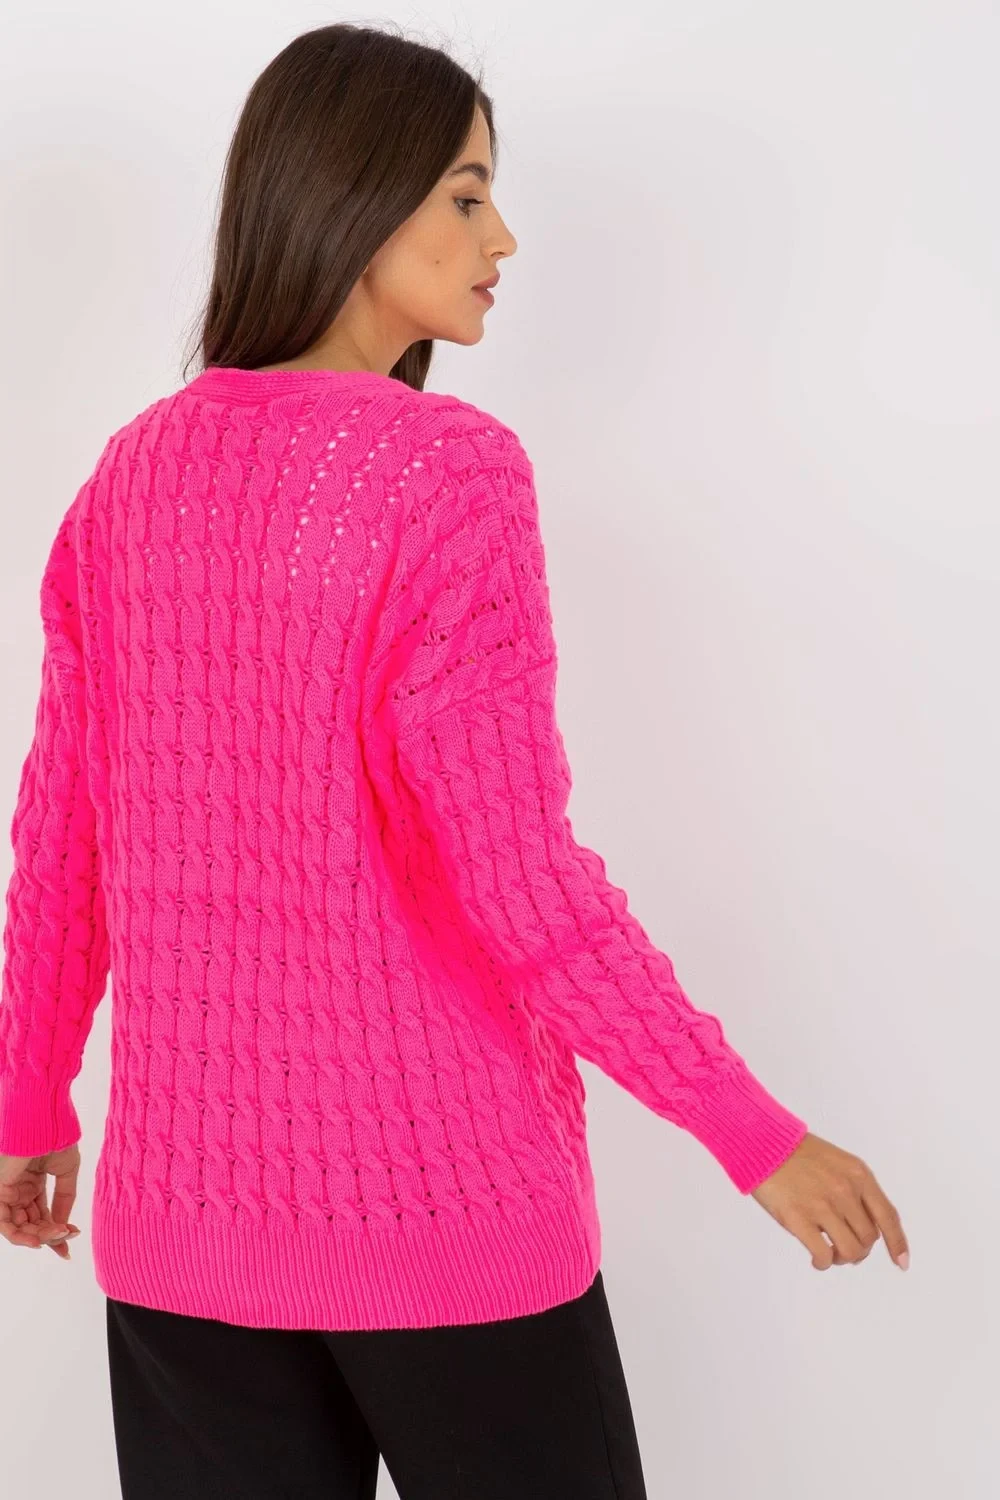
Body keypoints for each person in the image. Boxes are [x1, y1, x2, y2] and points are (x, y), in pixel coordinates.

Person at [0, 21, 909, 1500]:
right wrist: (752, 1133)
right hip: (444, 1213)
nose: (504, 240)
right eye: (467, 196)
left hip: (184, 1240)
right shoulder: (445, 475)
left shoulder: (131, 478)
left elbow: (62, 845)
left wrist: (29, 1104)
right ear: (355, 203)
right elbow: (523, 880)